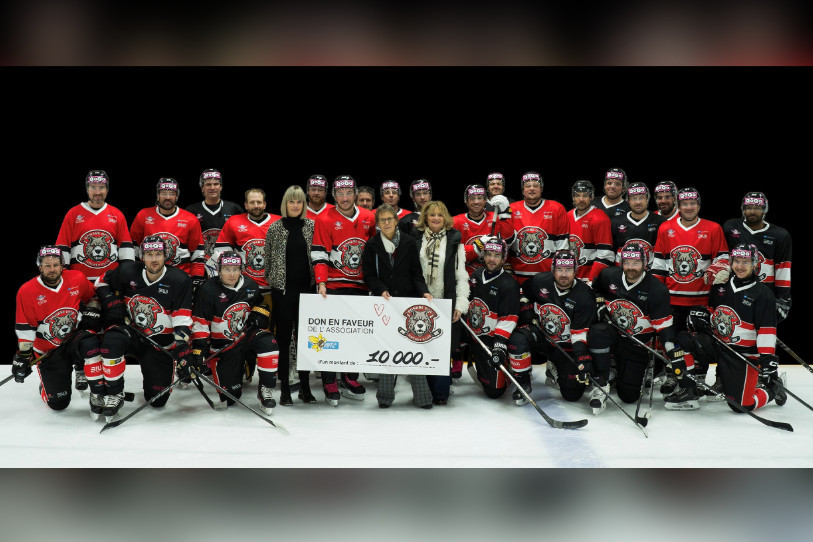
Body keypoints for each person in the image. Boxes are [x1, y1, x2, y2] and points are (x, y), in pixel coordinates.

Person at [665, 243, 786, 411]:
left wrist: (766, 360)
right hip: (718, 344)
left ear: (755, 264)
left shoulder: (763, 294)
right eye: (737, 261)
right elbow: (713, 310)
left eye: (745, 262)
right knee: (681, 340)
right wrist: (702, 315)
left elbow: (767, 330)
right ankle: (689, 388)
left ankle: (773, 389)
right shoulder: (720, 286)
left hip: (742, 354)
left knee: (741, 405)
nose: (740, 266)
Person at [93, 236, 193, 422]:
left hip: (160, 342)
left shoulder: (180, 279)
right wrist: (110, 299)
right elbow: (100, 282)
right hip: (132, 333)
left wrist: (181, 344)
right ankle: (114, 394)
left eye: (158, 254)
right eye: (149, 254)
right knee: (111, 340)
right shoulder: (127, 271)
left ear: (165, 256)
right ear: (142, 256)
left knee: (157, 400)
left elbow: (182, 316)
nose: (154, 259)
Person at [652, 187, 729, 394]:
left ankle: (699, 379)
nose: (688, 207)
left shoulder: (712, 228)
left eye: (692, 203)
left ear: (699, 205)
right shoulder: (665, 228)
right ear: (679, 205)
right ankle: (673, 375)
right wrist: (656, 294)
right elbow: (659, 263)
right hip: (672, 299)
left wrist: (717, 268)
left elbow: (723, 258)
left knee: (699, 344)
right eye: (684, 204)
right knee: (671, 341)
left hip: (701, 300)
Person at [509, 250, 602, 412]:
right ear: (553, 270)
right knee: (518, 340)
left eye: (568, 270)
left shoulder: (585, 295)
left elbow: (580, 332)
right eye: (560, 269)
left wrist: (582, 357)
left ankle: (554, 369)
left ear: (575, 271)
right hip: (542, 336)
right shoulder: (540, 281)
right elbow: (523, 292)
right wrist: (526, 307)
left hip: (566, 346)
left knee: (572, 395)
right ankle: (522, 382)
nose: (564, 274)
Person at [590, 243, 681, 410]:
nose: (631, 268)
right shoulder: (609, 276)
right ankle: (601, 382)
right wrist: (598, 303)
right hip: (613, 335)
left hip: (636, 344)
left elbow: (664, 327)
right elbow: (594, 291)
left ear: (645, 264)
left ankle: (624, 371)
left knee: (628, 397)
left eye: (636, 263)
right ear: (621, 263)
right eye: (627, 263)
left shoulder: (657, 289)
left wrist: (672, 350)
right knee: (598, 332)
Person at [311, 175, 376, 405]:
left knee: (357, 334)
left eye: (349, 193)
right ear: (334, 195)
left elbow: (376, 250)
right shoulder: (325, 218)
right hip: (334, 285)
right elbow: (319, 253)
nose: (345, 198)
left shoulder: (369, 217)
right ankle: (329, 379)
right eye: (340, 194)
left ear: (355, 194)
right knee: (331, 334)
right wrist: (321, 282)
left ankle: (350, 376)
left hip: (361, 285)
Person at [362, 203, 434, 409]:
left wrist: (423, 291)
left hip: (408, 302)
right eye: (382, 220)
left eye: (390, 219)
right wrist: (380, 288)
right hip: (384, 303)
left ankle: (422, 398)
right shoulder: (372, 245)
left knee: (414, 349)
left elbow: (415, 272)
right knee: (387, 350)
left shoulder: (410, 243)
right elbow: (368, 274)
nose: (386, 223)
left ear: (396, 221)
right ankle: (385, 398)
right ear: (377, 224)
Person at [191, 251, 280, 414]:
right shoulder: (207, 290)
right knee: (229, 397)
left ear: (241, 270)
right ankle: (239, 373)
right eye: (227, 269)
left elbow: (262, 306)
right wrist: (198, 352)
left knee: (269, 343)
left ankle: (266, 389)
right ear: (218, 270)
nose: (231, 274)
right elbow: (200, 323)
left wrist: (258, 314)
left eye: (235, 269)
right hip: (223, 346)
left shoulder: (250, 285)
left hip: (245, 338)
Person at [12, 246, 99, 410]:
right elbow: (26, 330)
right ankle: (46, 385)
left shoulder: (77, 278)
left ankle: (91, 382)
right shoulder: (27, 291)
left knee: (93, 341)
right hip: (48, 351)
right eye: (47, 265)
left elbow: (93, 297)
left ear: (62, 265)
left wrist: (92, 311)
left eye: (55, 265)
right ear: (40, 267)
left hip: (73, 341)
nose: (52, 269)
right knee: (58, 404)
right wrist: (24, 356)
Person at [264, 185, 317, 406]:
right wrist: (276, 282)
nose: (296, 205)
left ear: (304, 205)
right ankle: (285, 387)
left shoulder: (312, 226)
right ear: (285, 204)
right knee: (284, 340)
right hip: (284, 293)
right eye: (291, 201)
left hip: (308, 292)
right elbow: (267, 260)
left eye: (299, 202)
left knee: (305, 340)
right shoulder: (275, 228)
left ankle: (305, 386)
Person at [415, 200, 470, 405]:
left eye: (440, 215)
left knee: (441, 349)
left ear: (445, 218)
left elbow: (461, 276)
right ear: (425, 218)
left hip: (445, 302)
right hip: (420, 301)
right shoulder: (416, 238)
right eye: (432, 215)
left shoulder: (454, 241)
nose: (436, 218)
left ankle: (439, 392)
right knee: (421, 347)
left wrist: (460, 305)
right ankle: (423, 392)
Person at [464, 236, 520, 402]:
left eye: (496, 255)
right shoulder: (476, 274)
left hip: (489, 340)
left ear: (503, 258)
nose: (492, 259)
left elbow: (508, 318)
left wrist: (499, 346)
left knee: (493, 392)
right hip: (472, 332)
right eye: (488, 254)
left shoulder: (509, 284)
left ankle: (508, 371)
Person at [722, 192, 792, 323]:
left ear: (765, 209)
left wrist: (783, 300)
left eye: (757, 208)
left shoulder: (780, 236)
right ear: (743, 209)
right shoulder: (731, 228)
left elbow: (783, 269)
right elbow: (722, 257)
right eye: (748, 207)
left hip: (764, 296)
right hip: (736, 293)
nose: (752, 211)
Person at [55, 170, 135, 281]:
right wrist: (64, 277)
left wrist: (127, 276)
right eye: (93, 187)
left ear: (107, 189)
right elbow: (63, 248)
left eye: (101, 187)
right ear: (87, 189)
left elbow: (126, 250)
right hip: (79, 281)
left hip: (110, 281)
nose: (97, 192)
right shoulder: (73, 213)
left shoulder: (117, 214)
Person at [211, 188, 280, 308]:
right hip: (243, 287)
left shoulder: (279, 222)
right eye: (252, 202)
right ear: (246, 205)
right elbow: (220, 253)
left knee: (269, 325)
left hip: (272, 289)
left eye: (259, 202)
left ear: (264, 204)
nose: (256, 205)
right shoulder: (234, 222)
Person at [130, 177, 205, 284]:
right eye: (164, 193)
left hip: (180, 278)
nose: (168, 197)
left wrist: (196, 279)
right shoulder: (143, 215)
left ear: (177, 196)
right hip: (149, 278)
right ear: (158, 195)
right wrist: (136, 276)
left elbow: (197, 255)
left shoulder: (190, 219)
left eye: (172, 193)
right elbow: (135, 250)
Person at [507, 171, 569, 287]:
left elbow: (563, 247)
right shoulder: (511, 209)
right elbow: (506, 245)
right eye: (527, 186)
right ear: (522, 190)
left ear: (541, 188)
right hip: (517, 277)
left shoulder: (557, 208)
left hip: (548, 278)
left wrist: (558, 274)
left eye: (535, 185)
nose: (531, 189)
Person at [185, 169, 244, 272]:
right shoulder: (191, 211)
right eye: (208, 184)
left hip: (228, 265)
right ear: (202, 188)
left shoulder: (234, 209)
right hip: (200, 265)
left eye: (216, 184)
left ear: (221, 187)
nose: (212, 188)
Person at [453, 184, 513, 276]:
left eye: (480, 198)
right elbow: (452, 253)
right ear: (466, 201)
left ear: (485, 201)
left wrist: (505, 215)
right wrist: (477, 246)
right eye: (472, 198)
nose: (476, 202)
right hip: (465, 277)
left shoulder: (495, 218)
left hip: (492, 275)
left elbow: (508, 242)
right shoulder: (456, 222)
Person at [566, 180, 614, 285]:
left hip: (588, 280)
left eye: (585, 195)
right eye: (578, 195)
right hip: (568, 279)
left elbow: (606, 255)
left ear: (591, 197)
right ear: (573, 197)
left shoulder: (600, 218)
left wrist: (591, 280)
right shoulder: (567, 216)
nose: (581, 199)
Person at [610, 182, 665, 268]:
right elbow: (610, 253)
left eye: (641, 198)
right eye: (634, 198)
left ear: (647, 199)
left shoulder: (660, 222)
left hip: (650, 273)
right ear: (628, 200)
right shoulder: (615, 222)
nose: (638, 202)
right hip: (622, 272)